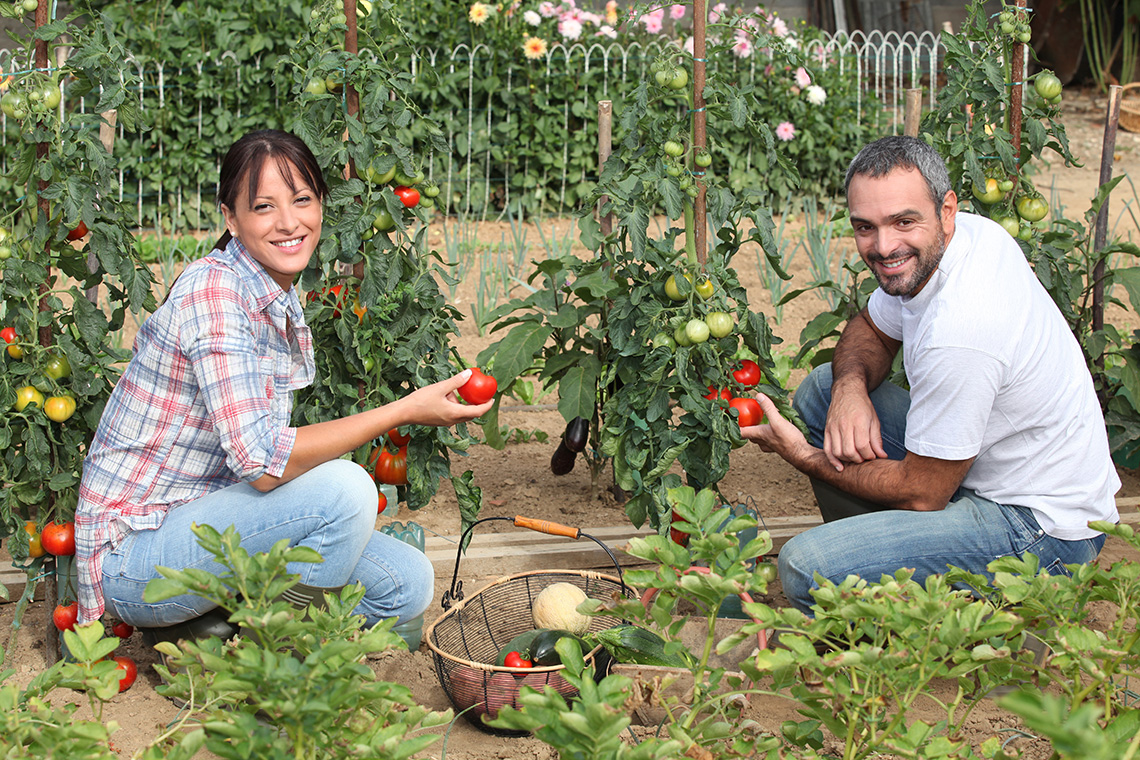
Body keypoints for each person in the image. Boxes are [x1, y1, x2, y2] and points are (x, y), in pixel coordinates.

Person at [74, 129, 493, 641]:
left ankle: (213, 627)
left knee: (405, 582)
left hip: (209, 520)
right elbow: (264, 465)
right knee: (347, 489)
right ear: (231, 218)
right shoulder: (216, 294)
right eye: (264, 207)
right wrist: (402, 410)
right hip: (136, 555)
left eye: (302, 200)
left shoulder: (269, 290)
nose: (289, 222)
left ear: (321, 206)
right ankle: (273, 655)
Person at [742, 135, 1120, 614]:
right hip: (988, 470)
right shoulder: (967, 238)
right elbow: (873, 330)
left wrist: (802, 454)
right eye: (865, 227)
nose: (883, 246)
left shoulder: (962, 328)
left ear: (946, 210)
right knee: (823, 390)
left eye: (904, 221)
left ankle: (889, 601)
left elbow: (924, 491)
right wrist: (850, 389)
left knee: (804, 566)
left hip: (1043, 534)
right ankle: (890, 561)